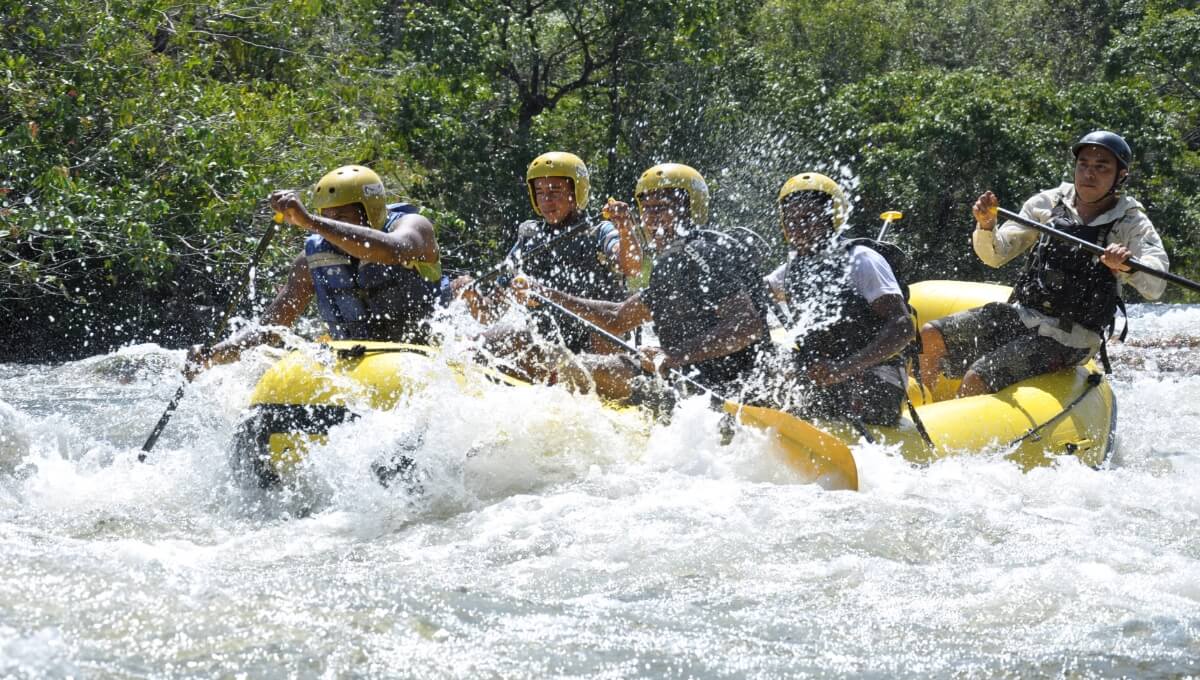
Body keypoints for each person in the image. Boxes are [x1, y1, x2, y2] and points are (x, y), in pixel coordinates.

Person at [919, 130, 1169, 397]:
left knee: (978, 376)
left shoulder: (1131, 222)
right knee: (930, 334)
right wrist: (986, 226)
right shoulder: (1047, 204)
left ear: (1120, 176)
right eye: (1083, 165)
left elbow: (1156, 285)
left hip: (1072, 337)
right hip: (1025, 315)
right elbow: (995, 255)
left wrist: (1127, 265)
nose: (1089, 174)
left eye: (1101, 167)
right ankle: (921, 413)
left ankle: (954, 435)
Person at [518, 163, 772, 402]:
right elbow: (617, 318)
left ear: (690, 208)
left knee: (577, 371)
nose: (651, 218)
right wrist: (545, 293)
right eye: (647, 208)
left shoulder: (703, 253)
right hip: (680, 373)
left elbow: (746, 326)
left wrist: (672, 355)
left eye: (662, 207)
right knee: (569, 367)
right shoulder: (671, 262)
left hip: (731, 383)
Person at [187, 165, 443, 373]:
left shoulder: (414, 227)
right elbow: (272, 328)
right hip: (354, 360)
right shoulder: (311, 261)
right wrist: (215, 354)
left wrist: (311, 222)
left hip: (420, 356)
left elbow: (394, 250)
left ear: (371, 212)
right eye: (326, 216)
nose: (330, 225)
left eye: (341, 217)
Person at [455, 152, 641, 377]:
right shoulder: (529, 236)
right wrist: (472, 296)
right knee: (505, 335)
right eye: (540, 193)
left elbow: (631, 266)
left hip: (600, 343)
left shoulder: (599, 230)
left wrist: (624, 228)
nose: (546, 201)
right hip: (551, 344)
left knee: (599, 335)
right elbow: (489, 314)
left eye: (554, 192)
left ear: (576, 192)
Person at [766, 172, 915, 426]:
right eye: (791, 220)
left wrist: (845, 368)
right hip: (827, 372)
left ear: (830, 218)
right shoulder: (790, 271)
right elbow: (754, 296)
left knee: (840, 394)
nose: (799, 227)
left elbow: (903, 326)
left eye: (808, 218)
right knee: (769, 365)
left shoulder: (862, 260)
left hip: (876, 374)